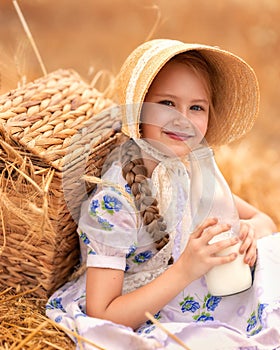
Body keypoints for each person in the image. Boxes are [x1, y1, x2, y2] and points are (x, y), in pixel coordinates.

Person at [46, 39, 280, 350]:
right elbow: (101, 313)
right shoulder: (115, 201)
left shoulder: (186, 170)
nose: (182, 119)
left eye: (196, 107)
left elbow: (264, 221)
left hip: (199, 289)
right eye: (167, 104)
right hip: (146, 309)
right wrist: (185, 269)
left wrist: (250, 232)